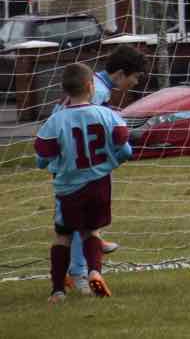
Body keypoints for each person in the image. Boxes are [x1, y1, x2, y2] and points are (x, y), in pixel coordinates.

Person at [35, 62, 133, 303]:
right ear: (91, 86)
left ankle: (58, 290)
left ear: (65, 90)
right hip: (99, 184)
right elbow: (125, 148)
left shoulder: (56, 120)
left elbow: (42, 157)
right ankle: (94, 272)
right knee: (92, 231)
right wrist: (111, 162)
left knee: (63, 236)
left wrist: (54, 163)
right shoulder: (107, 115)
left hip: (69, 187)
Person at [59, 45, 145, 294]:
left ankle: (85, 253)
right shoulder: (97, 92)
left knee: (77, 221)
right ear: (120, 73)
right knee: (80, 222)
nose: (136, 82)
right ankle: (78, 273)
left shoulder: (93, 83)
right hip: (81, 168)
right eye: (135, 77)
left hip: (73, 164)